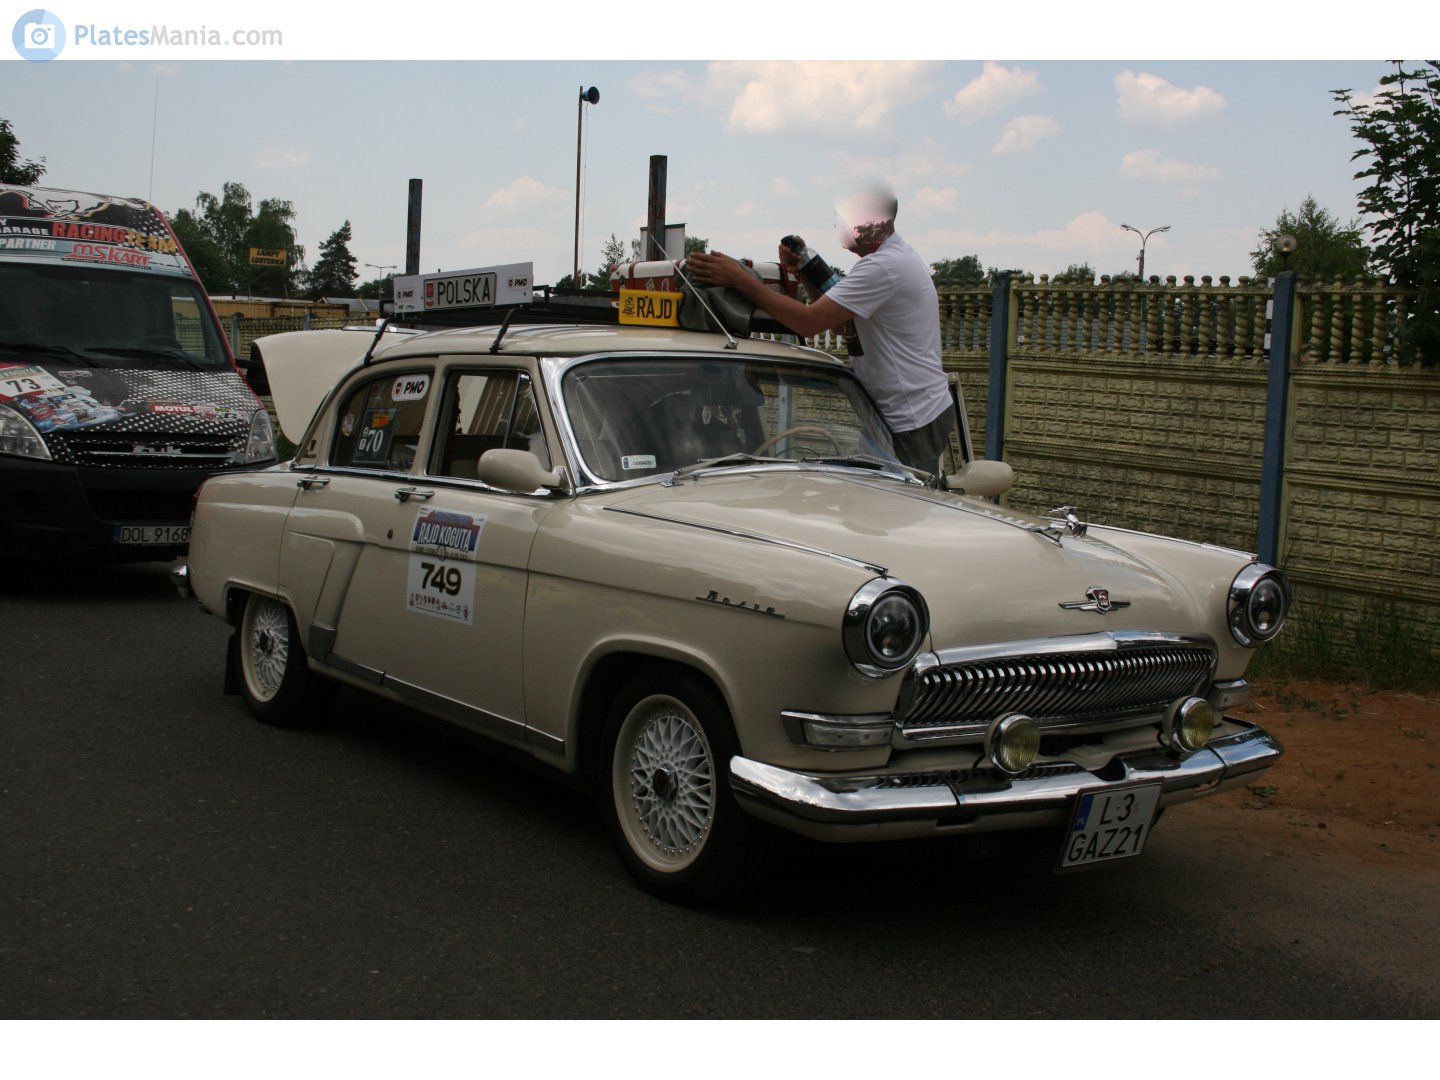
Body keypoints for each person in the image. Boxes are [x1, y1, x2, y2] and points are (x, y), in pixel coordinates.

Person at [686, 184, 954, 473]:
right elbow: (839, 325)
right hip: (900, 414)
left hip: (910, 419)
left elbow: (808, 323)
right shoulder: (891, 261)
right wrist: (803, 270)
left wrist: (740, 280)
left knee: (899, 497)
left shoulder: (884, 267)